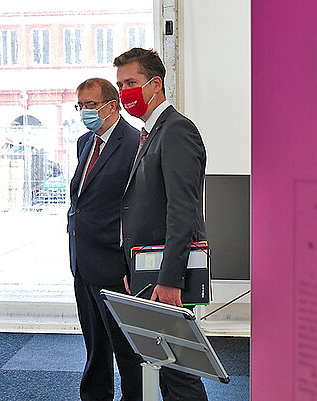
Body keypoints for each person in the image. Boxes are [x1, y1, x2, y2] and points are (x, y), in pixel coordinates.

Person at [115, 48, 209, 401]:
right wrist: (135, 268)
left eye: (132, 83)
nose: (125, 93)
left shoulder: (177, 131)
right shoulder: (150, 133)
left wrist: (170, 279)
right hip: (148, 272)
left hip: (168, 279)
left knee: (180, 372)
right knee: (166, 370)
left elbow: (182, 211)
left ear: (156, 84)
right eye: (121, 84)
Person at [67, 77, 143, 401]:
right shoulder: (87, 142)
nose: (85, 111)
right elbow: (81, 201)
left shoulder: (134, 142)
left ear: (112, 106)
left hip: (115, 264)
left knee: (126, 348)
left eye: (91, 105)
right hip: (83, 261)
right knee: (95, 342)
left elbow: (140, 206)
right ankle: (95, 395)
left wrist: (132, 264)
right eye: (80, 106)